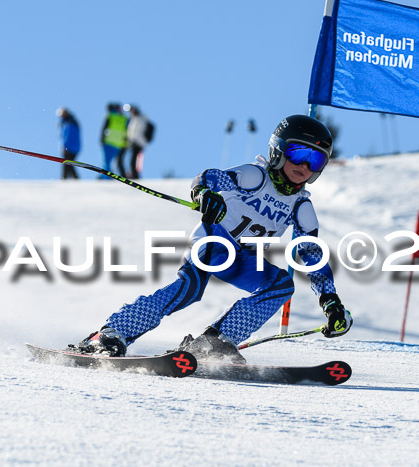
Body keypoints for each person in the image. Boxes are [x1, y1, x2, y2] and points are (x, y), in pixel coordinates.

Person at [76, 115, 352, 362]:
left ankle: (215, 342)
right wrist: (205, 194)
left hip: (243, 257)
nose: (304, 165)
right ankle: (111, 333)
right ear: (278, 150)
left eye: (315, 159)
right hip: (215, 240)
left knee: (280, 286)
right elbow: (209, 177)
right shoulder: (254, 176)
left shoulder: (301, 207)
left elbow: (312, 256)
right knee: (190, 290)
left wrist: (330, 301)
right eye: (298, 152)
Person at [121, 104, 149, 179]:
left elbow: (138, 132)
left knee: (133, 161)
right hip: (132, 143)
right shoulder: (132, 119)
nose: (131, 112)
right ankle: (132, 175)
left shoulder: (141, 118)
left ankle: (136, 177)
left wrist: (138, 141)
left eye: (132, 110)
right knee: (130, 161)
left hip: (139, 143)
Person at [100, 103, 128, 177]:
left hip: (109, 142)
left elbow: (104, 128)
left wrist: (101, 139)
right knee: (117, 162)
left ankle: (105, 177)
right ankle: (109, 176)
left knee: (106, 162)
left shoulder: (110, 116)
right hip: (119, 144)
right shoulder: (124, 118)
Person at [56, 107, 81, 179]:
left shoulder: (69, 122)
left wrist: (65, 146)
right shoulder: (65, 122)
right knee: (69, 164)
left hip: (70, 147)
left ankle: (65, 178)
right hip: (70, 147)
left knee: (67, 164)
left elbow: (68, 136)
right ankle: (71, 178)